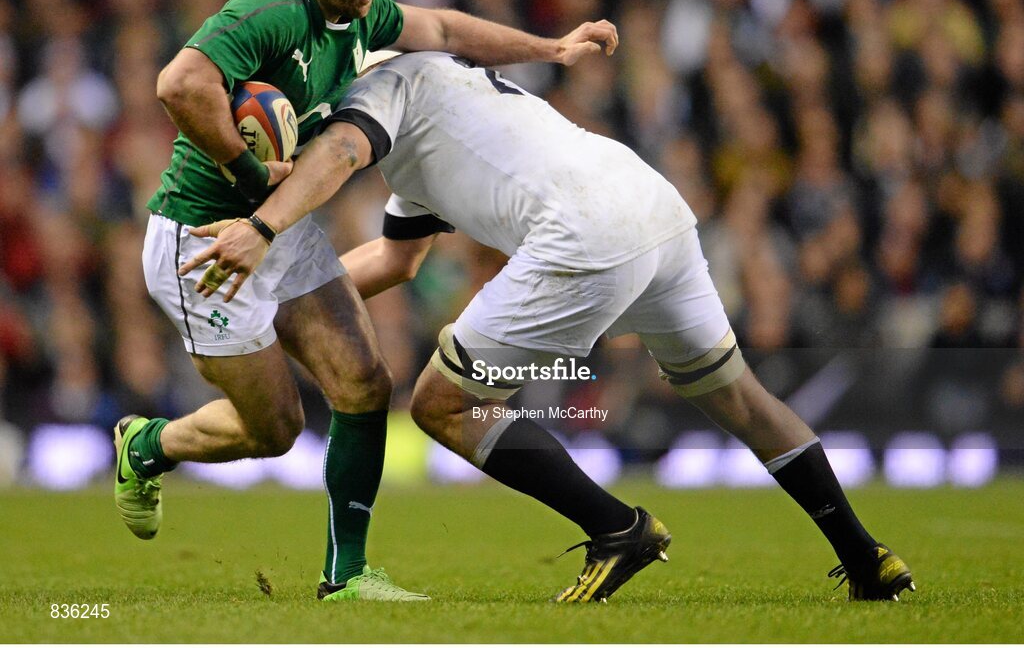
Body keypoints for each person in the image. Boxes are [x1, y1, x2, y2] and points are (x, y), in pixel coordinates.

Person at [183, 51, 915, 604]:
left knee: (443, 403)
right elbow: (396, 262)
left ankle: (617, 527)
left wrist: (263, 228)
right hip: (649, 202)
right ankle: (866, 559)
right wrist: (287, 307)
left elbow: (342, 150)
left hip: (583, 229)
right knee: (738, 395)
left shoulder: (378, 93)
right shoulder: (438, 108)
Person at [120, 0, 618, 603]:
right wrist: (250, 172)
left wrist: (553, 48)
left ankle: (345, 577)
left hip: (278, 230)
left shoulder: (357, 14)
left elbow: (443, 28)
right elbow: (179, 83)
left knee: (363, 382)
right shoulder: (271, 11)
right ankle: (145, 447)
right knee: (277, 428)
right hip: (199, 238)